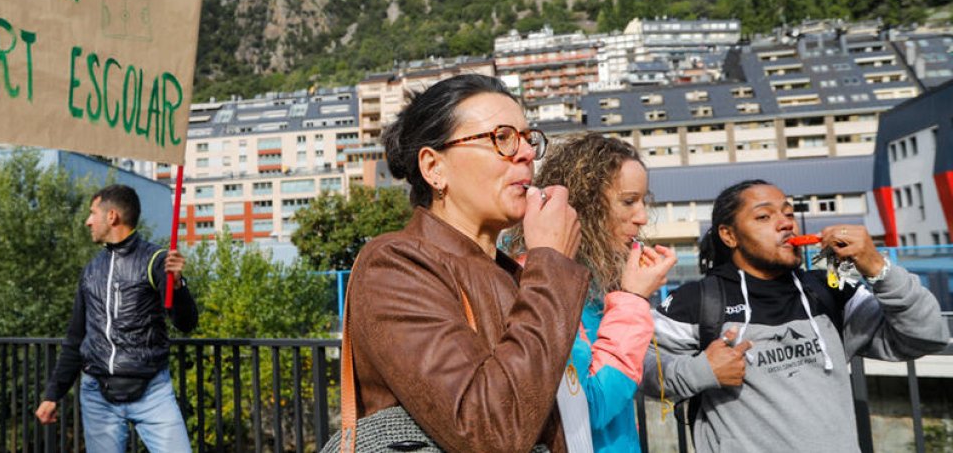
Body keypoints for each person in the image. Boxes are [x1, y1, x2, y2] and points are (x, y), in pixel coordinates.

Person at [345, 73, 588, 452]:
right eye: (502, 138)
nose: (525, 153)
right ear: (434, 168)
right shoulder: (394, 266)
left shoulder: (519, 277)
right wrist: (552, 262)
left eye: (528, 138)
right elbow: (490, 431)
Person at [644, 179, 949, 452]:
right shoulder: (696, 301)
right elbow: (643, 371)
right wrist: (702, 371)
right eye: (764, 216)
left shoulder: (830, 291)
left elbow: (928, 336)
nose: (786, 224)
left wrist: (878, 268)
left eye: (788, 214)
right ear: (729, 235)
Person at [509, 133, 677, 451]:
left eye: (643, 201)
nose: (642, 217)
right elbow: (590, 405)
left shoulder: (596, 279)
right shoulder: (540, 280)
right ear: (585, 204)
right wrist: (634, 299)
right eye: (628, 202)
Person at [36, 184, 198, 453]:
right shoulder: (91, 271)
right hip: (97, 395)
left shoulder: (156, 260)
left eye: (92, 213)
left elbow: (186, 322)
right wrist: (53, 394)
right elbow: (76, 339)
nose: (88, 221)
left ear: (111, 216)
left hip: (152, 392)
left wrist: (178, 285)